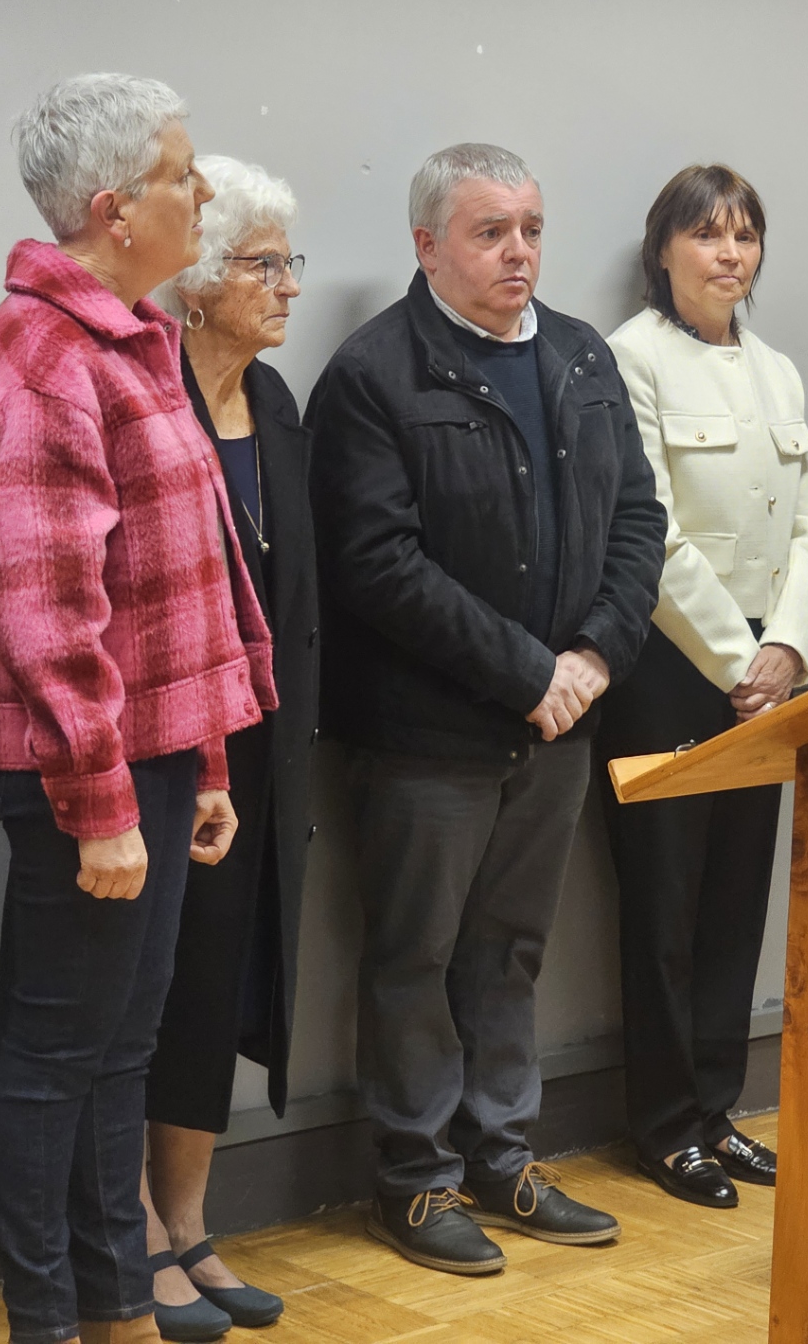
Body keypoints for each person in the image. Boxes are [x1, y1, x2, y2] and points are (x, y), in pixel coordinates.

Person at [0, 74, 276, 1344]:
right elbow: (45, 610)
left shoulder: (129, 335)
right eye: (181, 176)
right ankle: (50, 1321)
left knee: (116, 1059)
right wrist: (99, 802)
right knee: (51, 1068)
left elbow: (173, 593)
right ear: (112, 208)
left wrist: (199, 765)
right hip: (82, 774)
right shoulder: (42, 358)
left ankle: (116, 1306)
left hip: (145, 763)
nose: (200, 193)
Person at [307, 144, 666, 1275]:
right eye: (490, 231)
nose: (520, 252)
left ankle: (503, 1154)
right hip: (427, 734)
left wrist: (596, 657)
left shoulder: (579, 354)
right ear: (426, 244)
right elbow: (377, 565)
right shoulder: (373, 375)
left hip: (562, 722)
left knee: (510, 951)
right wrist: (528, 670)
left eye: (532, 228)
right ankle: (417, 1182)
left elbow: (639, 522)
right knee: (414, 954)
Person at [595, 166, 808, 1208]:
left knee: (738, 899)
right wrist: (739, 661)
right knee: (664, 907)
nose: (729, 255)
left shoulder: (779, 371)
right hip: (669, 671)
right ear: (665, 251)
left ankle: (715, 1108)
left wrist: (786, 646)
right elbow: (648, 529)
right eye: (707, 236)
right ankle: (661, 1125)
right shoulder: (630, 359)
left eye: (745, 236)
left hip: (767, 674)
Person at [135, 157, 317, 1342]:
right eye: (265, 264)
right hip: (167, 749)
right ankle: (135, 1240)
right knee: (154, 991)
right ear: (198, 286)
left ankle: (191, 1226)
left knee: (223, 986)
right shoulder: (152, 394)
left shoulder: (281, 404)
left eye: (288, 262)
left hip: (264, 746)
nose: (289, 285)